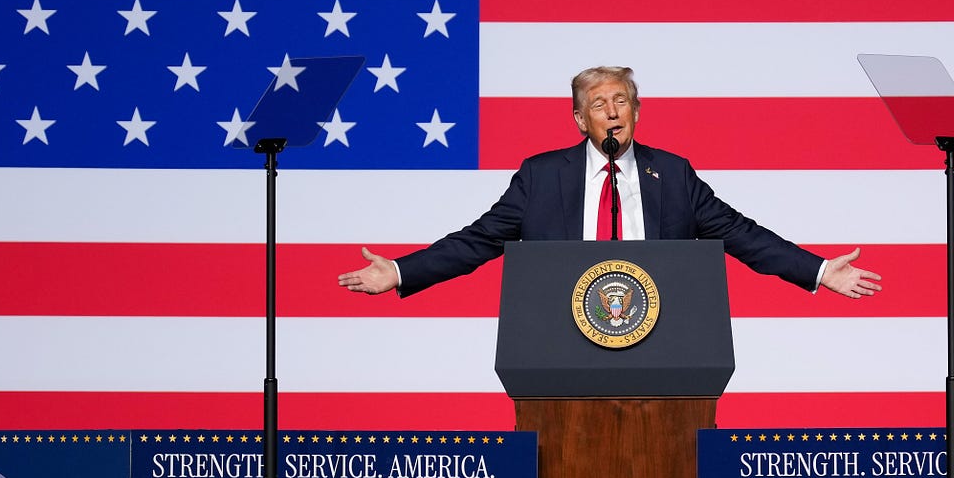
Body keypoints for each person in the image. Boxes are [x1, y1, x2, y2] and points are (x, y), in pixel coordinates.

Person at [337, 65, 883, 301]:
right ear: (581, 120)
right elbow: (477, 241)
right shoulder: (541, 176)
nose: (613, 111)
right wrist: (402, 270)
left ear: (637, 112)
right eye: (599, 104)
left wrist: (817, 270)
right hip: (559, 343)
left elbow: (741, 234)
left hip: (661, 342)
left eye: (622, 100)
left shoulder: (672, 173)